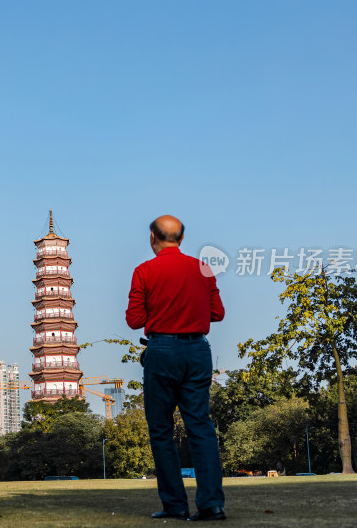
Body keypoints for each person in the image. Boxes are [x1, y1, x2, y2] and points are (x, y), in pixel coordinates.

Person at [125, 215, 226, 522]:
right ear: (181, 239)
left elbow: (133, 319)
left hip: (162, 350)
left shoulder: (144, 271)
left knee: (161, 429)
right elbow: (217, 313)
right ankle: (211, 504)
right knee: (201, 426)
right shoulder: (203, 269)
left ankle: (175, 504)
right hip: (197, 350)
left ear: (152, 238)